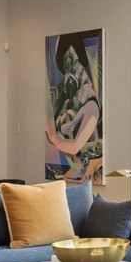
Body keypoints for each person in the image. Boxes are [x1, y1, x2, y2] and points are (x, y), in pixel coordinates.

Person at [45, 37, 103, 182]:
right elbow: (73, 119)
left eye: (73, 67)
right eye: (66, 70)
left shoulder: (91, 107)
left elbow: (75, 147)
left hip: (87, 166)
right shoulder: (81, 102)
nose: (68, 76)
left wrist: (54, 138)